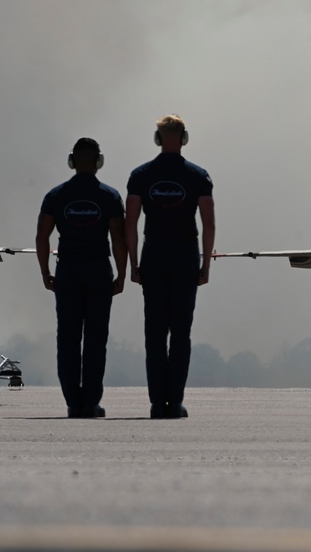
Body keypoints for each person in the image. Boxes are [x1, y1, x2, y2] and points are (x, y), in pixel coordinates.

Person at [125, 115, 215, 419]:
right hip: (185, 257)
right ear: (184, 137)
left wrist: (133, 263)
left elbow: (131, 223)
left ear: (157, 138)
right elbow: (208, 222)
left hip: (154, 256)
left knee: (154, 332)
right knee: (180, 334)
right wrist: (205, 264)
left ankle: (156, 402)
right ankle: (174, 401)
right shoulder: (198, 177)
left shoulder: (140, 176)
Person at [36, 137, 126, 418]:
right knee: (96, 339)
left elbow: (42, 236)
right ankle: (91, 402)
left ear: (72, 161)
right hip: (99, 271)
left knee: (68, 338)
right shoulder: (110, 197)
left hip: (68, 271)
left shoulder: (56, 195)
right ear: (99, 162)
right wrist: (122, 274)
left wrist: (45, 272)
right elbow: (118, 239)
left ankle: (73, 402)